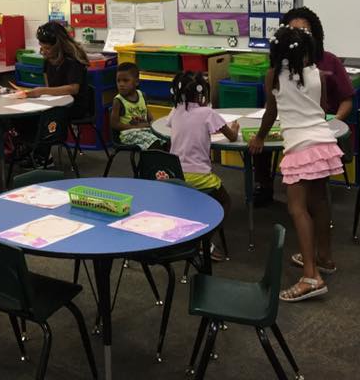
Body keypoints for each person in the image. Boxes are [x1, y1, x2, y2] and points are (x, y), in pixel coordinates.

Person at [251, 25, 344, 302]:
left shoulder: (274, 76)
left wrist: (260, 136)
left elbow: (272, 110)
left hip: (300, 146)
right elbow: (320, 108)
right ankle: (325, 257)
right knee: (320, 202)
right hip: (324, 143)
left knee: (297, 208)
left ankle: (310, 276)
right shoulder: (318, 74)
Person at [254, 6, 355, 204]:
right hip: (289, 125)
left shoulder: (329, 62)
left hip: (320, 125)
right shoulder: (281, 65)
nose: (297, 36)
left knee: (304, 205)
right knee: (260, 144)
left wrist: (334, 120)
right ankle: (264, 187)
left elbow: (347, 100)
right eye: (292, 31)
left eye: (303, 31)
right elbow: (274, 100)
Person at [168, 70, 237, 261]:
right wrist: (235, 129)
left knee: (191, 201)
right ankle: (204, 241)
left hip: (176, 177)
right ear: (201, 93)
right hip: (199, 176)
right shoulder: (207, 113)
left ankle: (189, 232)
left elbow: (174, 128)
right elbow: (231, 137)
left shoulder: (175, 110)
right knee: (225, 201)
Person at [17, 22, 93, 118]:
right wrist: (42, 92)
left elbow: (73, 89)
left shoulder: (73, 60)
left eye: (47, 48)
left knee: (38, 119)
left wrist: (42, 91)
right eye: (41, 47)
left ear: (59, 46)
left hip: (74, 105)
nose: (43, 51)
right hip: (56, 102)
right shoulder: (48, 60)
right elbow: (50, 87)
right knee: (25, 116)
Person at [110, 62, 162, 150]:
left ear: (137, 82)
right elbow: (114, 124)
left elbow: (148, 114)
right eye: (118, 81)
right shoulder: (118, 101)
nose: (121, 84)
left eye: (125, 80)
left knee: (163, 138)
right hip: (128, 134)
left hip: (144, 130)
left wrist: (154, 125)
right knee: (154, 141)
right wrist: (136, 127)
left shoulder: (142, 95)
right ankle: (149, 163)